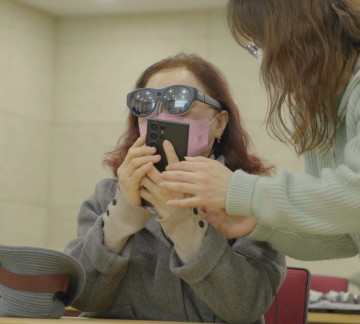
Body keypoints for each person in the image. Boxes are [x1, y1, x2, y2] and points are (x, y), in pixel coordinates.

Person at [64, 53, 286, 323]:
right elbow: (79, 297)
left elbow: (245, 307)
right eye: (146, 104)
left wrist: (183, 224)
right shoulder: (107, 196)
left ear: (219, 123)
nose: (161, 115)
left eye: (179, 101)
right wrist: (123, 212)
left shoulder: (248, 198)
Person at [159, 0, 360, 261]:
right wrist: (258, 224)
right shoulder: (320, 112)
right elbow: (344, 235)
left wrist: (241, 190)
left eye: (260, 43)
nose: (263, 59)